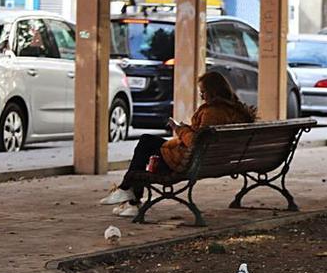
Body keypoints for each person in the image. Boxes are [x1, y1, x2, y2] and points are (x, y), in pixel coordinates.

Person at [99, 71, 256, 217]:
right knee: (148, 145)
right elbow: (203, 137)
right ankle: (131, 199)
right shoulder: (236, 111)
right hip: (215, 161)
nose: (202, 96)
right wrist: (185, 130)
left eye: (203, 92)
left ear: (213, 91)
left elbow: (196, 142)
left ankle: (128, 193)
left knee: (146, 143)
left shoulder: (212, 112)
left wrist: (179, 129)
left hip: (188, 162)